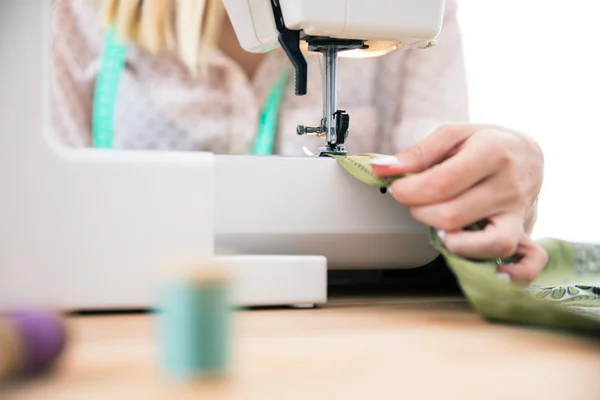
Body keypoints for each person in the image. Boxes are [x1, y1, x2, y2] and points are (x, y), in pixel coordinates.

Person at [50, 0, 546, 284]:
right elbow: (43, 221)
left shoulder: (409, 15)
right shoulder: (75, 13)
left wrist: (493, 186)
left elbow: (444, 208)